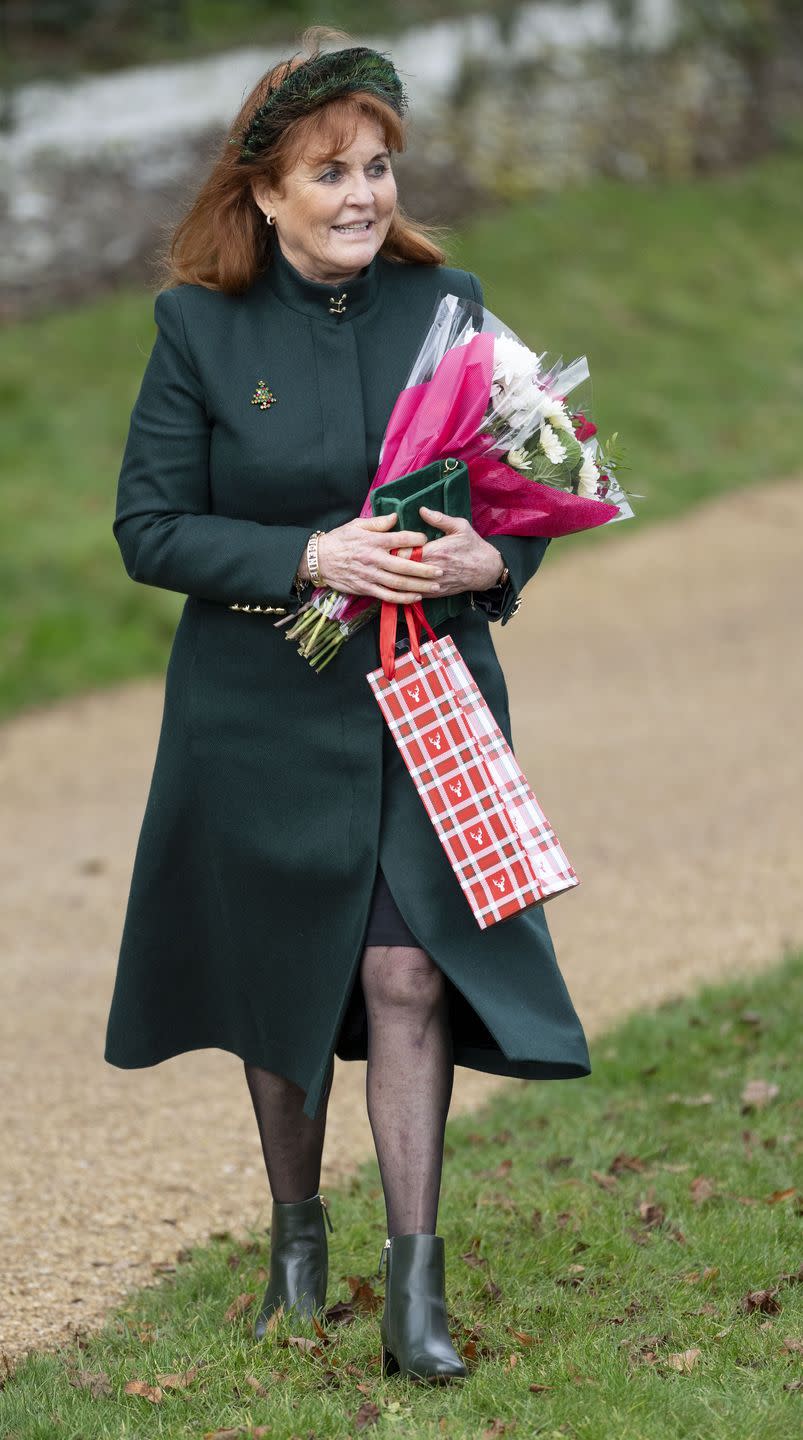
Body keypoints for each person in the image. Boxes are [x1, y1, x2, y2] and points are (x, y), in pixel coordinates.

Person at [103, 26, 591, 1383]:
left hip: (423, 697)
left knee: (403, 969)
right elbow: (148, 530)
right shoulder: (197, 328)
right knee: (280, 974)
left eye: (378, 166)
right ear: (264, 193)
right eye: (331, 172)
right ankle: (297, 1244)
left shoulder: (457, 308)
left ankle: (414, 1292)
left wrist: (505, 561)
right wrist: (305, 555)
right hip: (256, 705)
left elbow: (531, 485)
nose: (364, 193)